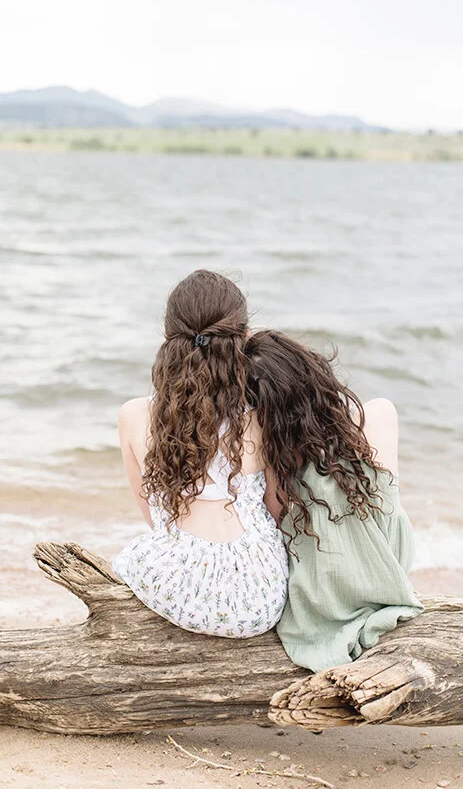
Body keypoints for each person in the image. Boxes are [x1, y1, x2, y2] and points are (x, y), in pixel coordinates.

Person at [112, 271, 288, 638]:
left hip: (177, 587)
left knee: (129, 558)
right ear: (245, 339)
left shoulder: (134, 415)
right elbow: (276, 511)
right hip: (259, 599)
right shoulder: (261, 418)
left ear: (167, 338)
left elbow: (154, 515)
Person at [244, 329, 423, 672]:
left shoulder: (273, 458)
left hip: (322, 593)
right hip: (391, 561)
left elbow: (276, 528)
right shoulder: (377, 415)